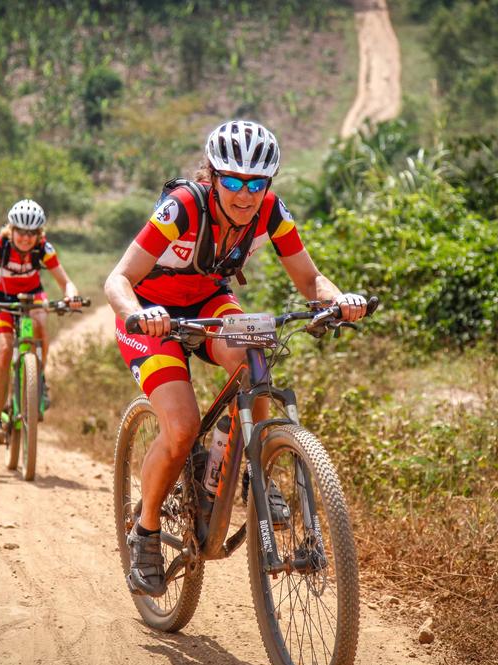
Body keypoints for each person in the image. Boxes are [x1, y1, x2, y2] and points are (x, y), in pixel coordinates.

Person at [104, 120, 368, 596]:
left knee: (254, 350)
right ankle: (144, 534)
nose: (244, 194)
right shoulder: (183, 207)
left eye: (255, 183)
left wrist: (338, 298)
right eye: (232, 181)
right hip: (152, 316)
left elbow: (310, 280)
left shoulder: (270, 211)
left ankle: (252, 466)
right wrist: (138, 315)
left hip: (208, 305)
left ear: (267, 184)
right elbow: (118, 279)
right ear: (212, 176)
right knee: (181, 427)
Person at [0, 199, 82, 445]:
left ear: (39, 234)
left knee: (40, 321)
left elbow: (66, 282)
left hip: (32, 298)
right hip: (1, 302)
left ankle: (38, 379)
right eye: (21, 232)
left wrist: (71, 296)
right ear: (12, 229)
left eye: (32, 233)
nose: (26, 238)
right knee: (5, 349)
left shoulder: (44, 248)